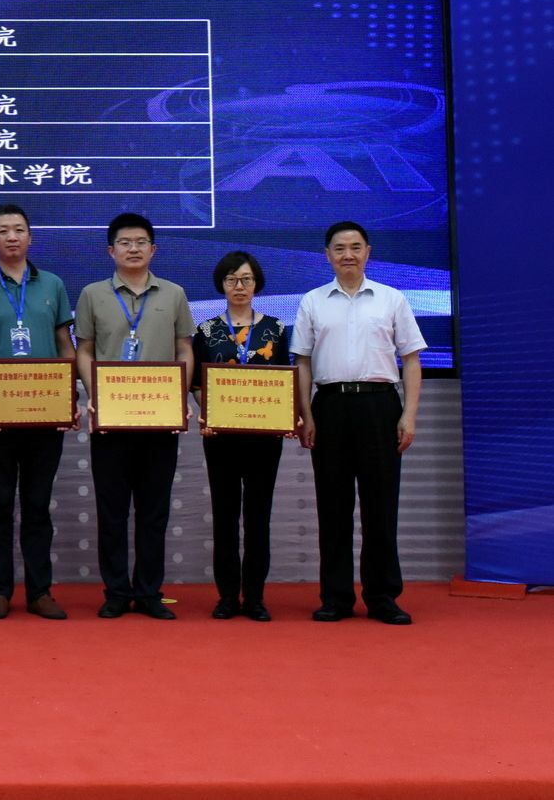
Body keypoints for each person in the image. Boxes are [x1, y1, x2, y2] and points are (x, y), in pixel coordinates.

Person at [292, 221, 424, 626]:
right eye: (339, 248)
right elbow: (303, 362)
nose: (347, 255)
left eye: (355, 247)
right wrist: (306, 413)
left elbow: (411, 360)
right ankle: (335, 597)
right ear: (327, 255)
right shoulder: (313, 301)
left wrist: (409, 414)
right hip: (330, 406)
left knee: (380, 507)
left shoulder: (391, 299)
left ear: (368, 252)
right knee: (333, 507)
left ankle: (383, 597)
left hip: (379, 405)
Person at [73, 212, 195, 620]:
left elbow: (184, 349)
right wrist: (95, 394)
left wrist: (179, 395)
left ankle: (148, 592)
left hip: (159, 418)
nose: (134, 249)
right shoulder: (92, 294)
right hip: (111, 419)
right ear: (111, 250)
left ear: (153, 249)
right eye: (125, 242)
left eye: (141, 242)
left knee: (154, 510)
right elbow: (84, 349)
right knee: (112, 510)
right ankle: (115, 591)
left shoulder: (174, 294)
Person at [0, 204, 75, 621]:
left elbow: (65, 345)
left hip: (45, 412)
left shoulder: (54, 285)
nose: (12, 237)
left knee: (37, 504)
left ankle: (40, 592)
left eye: (19, 230)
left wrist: (70, 398)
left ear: (30, 237)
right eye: (3, 231)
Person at [190, 250, 291, 622]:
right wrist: (208, 410)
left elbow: (285, 381)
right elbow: (196, 383)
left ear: (256, 284)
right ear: (222, 284)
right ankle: (228, 597)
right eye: (232, 279)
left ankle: (256, 598)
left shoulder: (276, 329)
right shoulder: (206, 330)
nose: (239, 286)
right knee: (225, 515)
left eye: (246, 279)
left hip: (264, 437)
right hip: (221, 436)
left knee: (259, 516)